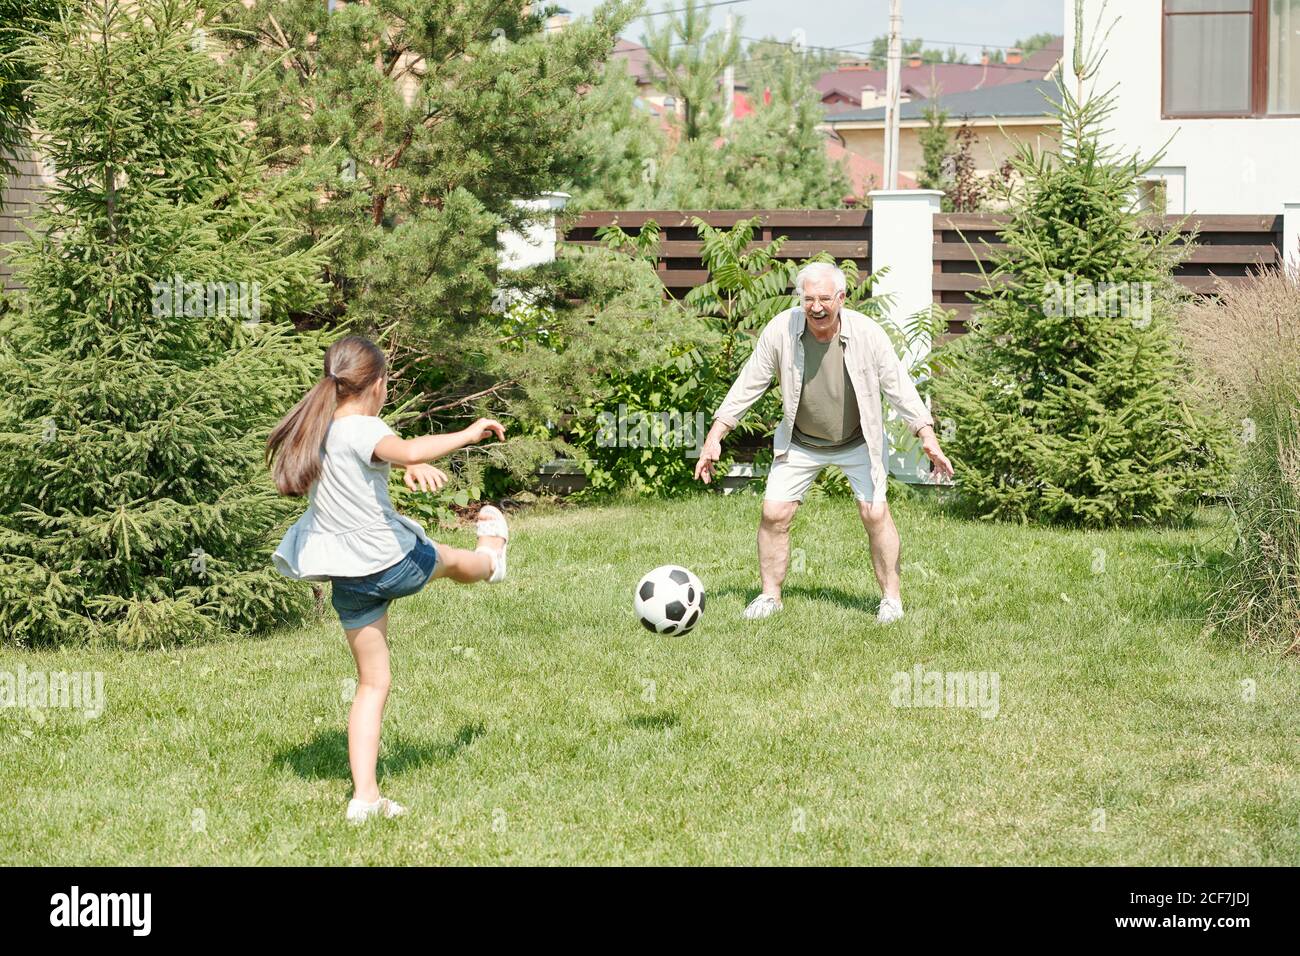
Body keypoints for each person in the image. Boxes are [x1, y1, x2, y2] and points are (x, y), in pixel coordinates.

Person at [266, 335, 509, 823]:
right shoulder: (364, 426)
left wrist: (410, 463)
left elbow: (384, 457)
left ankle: (365, 798)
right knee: (448, 560)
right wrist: (470, 432)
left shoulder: (318, 429)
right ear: (377, 385)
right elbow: (404, 445)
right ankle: (493, 557)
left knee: (372, 684)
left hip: (348, 580)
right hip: (391, 562)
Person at [694, 262, 954, 625]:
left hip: (858, 441)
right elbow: (748, 384)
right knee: (774, 513)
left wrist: (926, 435)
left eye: (824, 299)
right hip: (801, 442)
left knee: (875, 513)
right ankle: (770, 597)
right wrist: (714, 437)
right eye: (808, 298)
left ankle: (891, 600)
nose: (816, 306)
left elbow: (899, 387)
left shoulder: (867, 334)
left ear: (841, 299)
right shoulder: (781, 331)